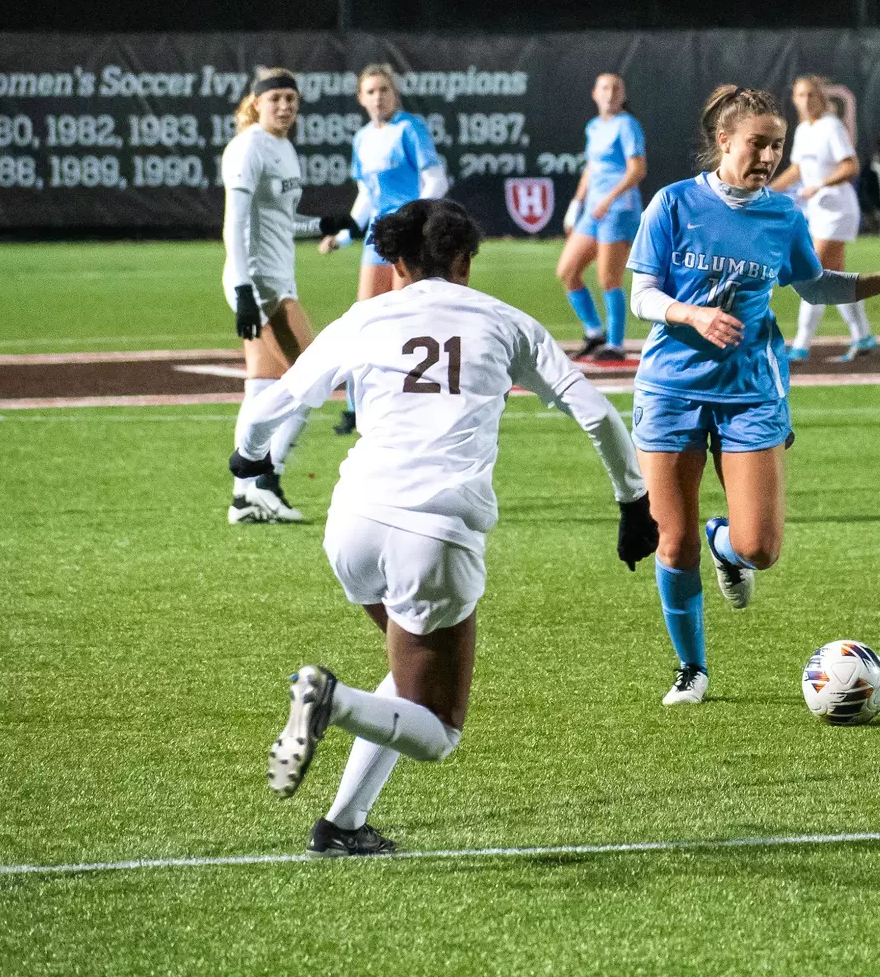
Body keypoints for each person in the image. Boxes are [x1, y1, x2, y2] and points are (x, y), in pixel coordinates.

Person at [236, 199, 659, 855]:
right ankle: (330, 701)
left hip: (353, 525)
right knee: (437, 729)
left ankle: (342, 825)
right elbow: (599, 416)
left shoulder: (366, 316)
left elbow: (285, 395)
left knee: (409, 664)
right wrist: (633, 503)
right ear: (465, 261)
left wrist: (248, 455)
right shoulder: (506, 322)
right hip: (434, 534)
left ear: (397, 264)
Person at [626, 85, 880, 705]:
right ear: (724, 141)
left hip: (751, 392)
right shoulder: (673, 203)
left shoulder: (783, 215)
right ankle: (692, 669)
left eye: (777, 146)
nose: (768, 157)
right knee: (673, 543)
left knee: (759, 548)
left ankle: (725, 543)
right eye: (757, 144)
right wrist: (691, 314)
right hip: (671, 389)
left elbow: (814, 286)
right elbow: (642, 296)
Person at [318, 63, 449, 436]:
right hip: (378, 238)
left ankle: (411, 406)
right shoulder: (362, 138)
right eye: (371, 91)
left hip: (408, 238)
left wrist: (414, 221)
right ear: (361, 98)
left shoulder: (409, 128)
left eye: (384, 90)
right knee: (364, 323)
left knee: (403, 324)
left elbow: (435, 180)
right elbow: (366, 196)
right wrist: (345, 235)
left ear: (395, 93)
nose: (379, 97)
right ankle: (356, 409)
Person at [220, 67, 327, 524]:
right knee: (313, 377)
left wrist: (322, 225)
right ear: (256, 102)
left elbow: (281, 221)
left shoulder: (284, 147)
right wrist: (244, 289)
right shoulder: (248, 147)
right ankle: (267, 480)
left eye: (290, 98)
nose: (284, 106)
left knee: (263, 389)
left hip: (278, 279)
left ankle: (243, 498)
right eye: (275, 98)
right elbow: (234, 223)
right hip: (259, 282)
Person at [774, 75, 874, 363]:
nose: (805, 101)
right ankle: (863, 336)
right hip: (818, 211)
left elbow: (851, 166)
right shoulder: (803, 130)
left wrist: (821, 184)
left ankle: (801, 345)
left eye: (810, 95)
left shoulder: (831, 127)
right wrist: (766, 191)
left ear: (821, 97)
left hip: (838, 209)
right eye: (800, 95)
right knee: (834, 278)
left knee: (811, 273)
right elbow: (796, 170)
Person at [558, 73, 647, 361]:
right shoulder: (594, 127)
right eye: (605, 88)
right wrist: (576, 203)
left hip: (618, 210)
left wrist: (610, 198)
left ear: (623, 95)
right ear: (595, 93)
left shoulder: (627, 125)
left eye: (616, 89)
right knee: (568, 270)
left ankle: (615, 344)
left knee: (609, 278)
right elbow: (592, 168)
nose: (610, 93)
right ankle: (594, 332)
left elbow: (637, 170)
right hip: (593, 210)